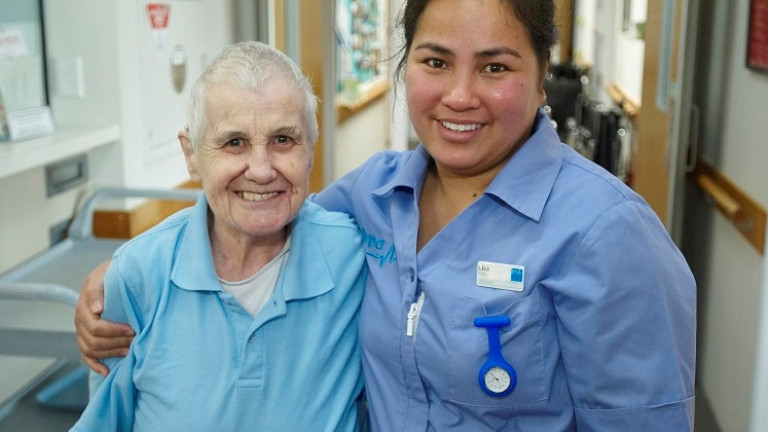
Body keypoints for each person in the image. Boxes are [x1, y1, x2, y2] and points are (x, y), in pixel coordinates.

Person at [75, 0, 697, 430]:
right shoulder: (372, 198)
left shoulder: (609, 234)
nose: (459, 94)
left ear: (542, 81)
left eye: (495, 66)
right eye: (434, 61)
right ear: (406, 71)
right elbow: (253, 201)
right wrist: (126, 268)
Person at [70, 41, 366, 431]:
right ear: (191, 154)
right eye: (234, 142)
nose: (261, 170)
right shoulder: (138, 277)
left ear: (310, 148)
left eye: (283, 140)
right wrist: (122, 272)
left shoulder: (355, 256)